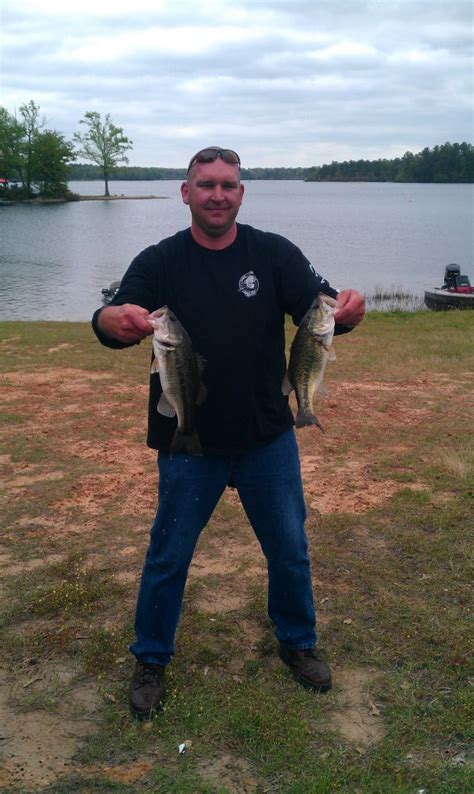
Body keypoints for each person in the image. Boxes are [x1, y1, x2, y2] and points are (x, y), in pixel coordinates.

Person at [92, 146, 365, 719]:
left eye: (229, 185)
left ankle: (297, 642)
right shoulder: (160, 259)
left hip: (268, 435)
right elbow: (117, 319)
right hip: (189, 442)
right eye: (206, 184)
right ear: (185, 193)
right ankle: (151, 658)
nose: (218, 194)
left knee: (290, 551)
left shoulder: (272, 253)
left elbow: (323, 310)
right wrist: (109, 322)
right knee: (168, 555)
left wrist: (352, 310)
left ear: (242, 193)